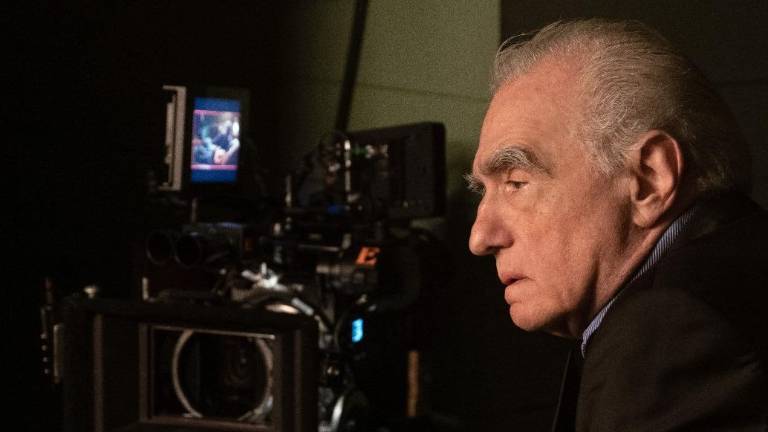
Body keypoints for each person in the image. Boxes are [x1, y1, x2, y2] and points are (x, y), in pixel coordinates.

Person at [465, 19, 767, 431]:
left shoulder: (670, 332)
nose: (480, 238)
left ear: (650, 178)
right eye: (483, 191)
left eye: (516, 183)